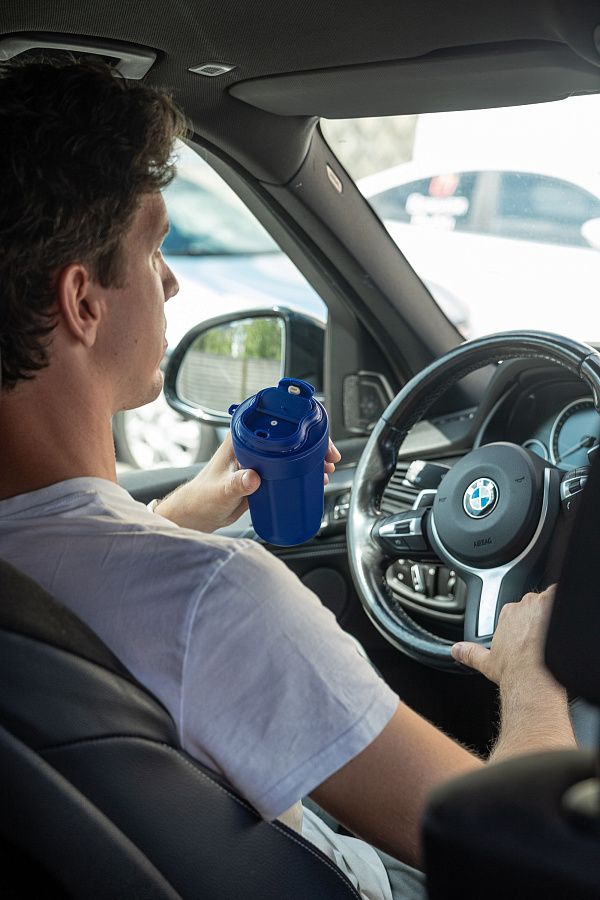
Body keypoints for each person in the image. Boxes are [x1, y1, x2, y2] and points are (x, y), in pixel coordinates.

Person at [0, 58, 576, 900]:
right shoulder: (213, 597)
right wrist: (539, 676)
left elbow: (82, 582)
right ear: (82, 301)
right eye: (154, 247)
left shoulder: (50, 571)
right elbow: (525, 847)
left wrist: (173, 516)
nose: (171, 279)